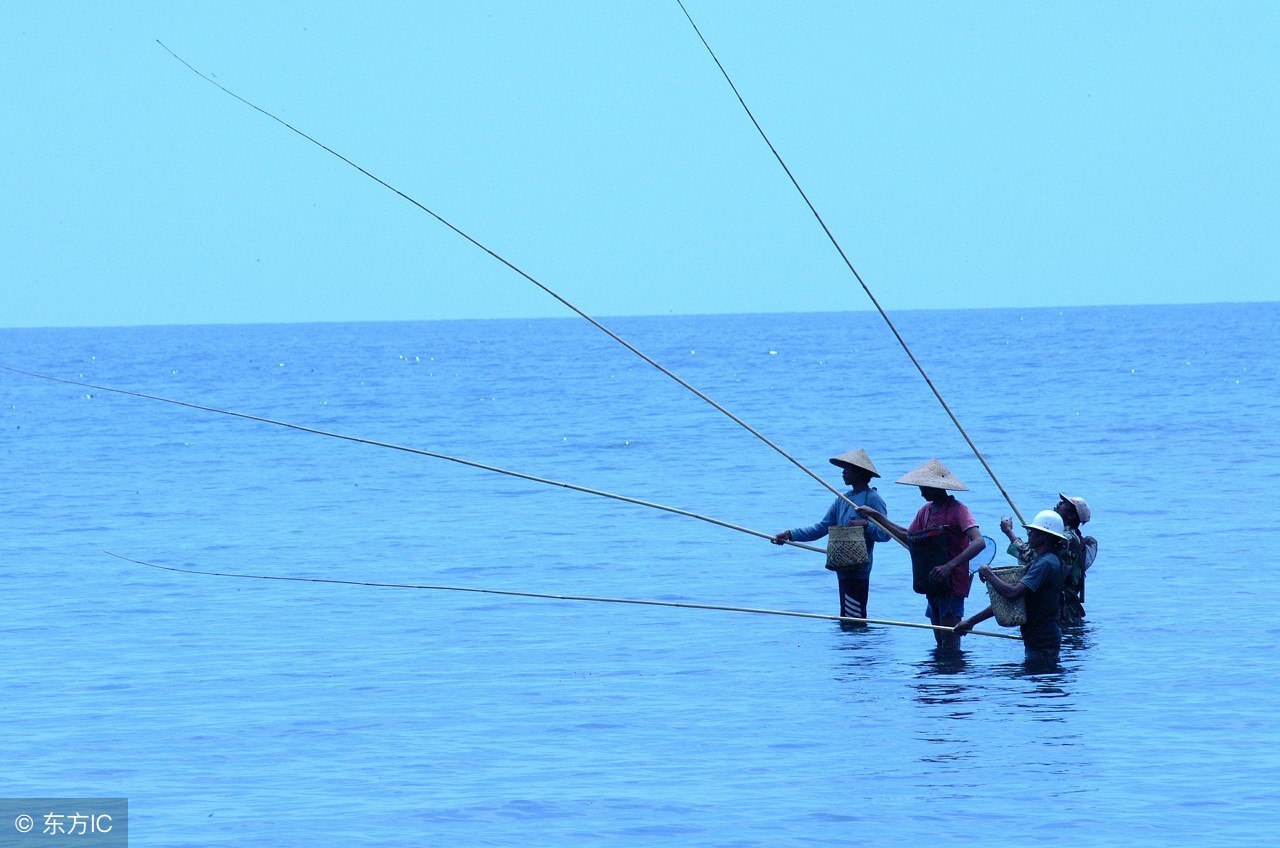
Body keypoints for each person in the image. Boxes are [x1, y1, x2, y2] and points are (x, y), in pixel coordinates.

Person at [854, 458, 984, 650]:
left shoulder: (958, 510)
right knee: (939, 640)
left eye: (923, 486)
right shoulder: (926, 511)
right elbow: (908, 536)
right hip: (933, 583)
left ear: (935, 487)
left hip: (953, 583)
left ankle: (952, 676)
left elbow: (979, 542)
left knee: (950, 643)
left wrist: (949, 566)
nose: (920, 491)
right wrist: (876, 516)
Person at [772, 449, 890, 623]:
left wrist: (866, 525)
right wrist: (790, 534)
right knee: (847, 615)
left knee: (854, 617)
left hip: (859, 568)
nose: (843, 473)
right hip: (842, 565)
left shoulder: (872, 499)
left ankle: (856, 647)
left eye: (847, 469)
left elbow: (884, 534)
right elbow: (821, 527)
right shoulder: (842, 500)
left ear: (859, 472)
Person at [957, 509, 1068, 664]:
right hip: (1038, 638)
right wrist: (971, 622)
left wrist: (988, 573)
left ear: (1045, 537)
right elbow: (1007, 603)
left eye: (1034, 531)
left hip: (1043, 641)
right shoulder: (1044, 561)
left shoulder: (1045, 564)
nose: (1029, 533)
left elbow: (1012, 594)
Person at [1000, 493, 1096, 625]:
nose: (1059, 504)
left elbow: (1029, 556)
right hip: (1066, 608)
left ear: (1071, 515)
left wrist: (1009, 532)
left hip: (1063, 611)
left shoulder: (1066, 540)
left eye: (1064, 504)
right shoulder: (1073, 537)